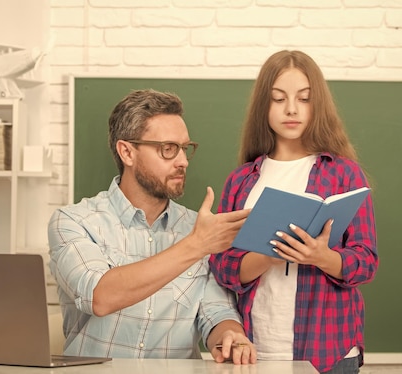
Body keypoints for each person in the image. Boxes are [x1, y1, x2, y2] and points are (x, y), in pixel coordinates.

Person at [47, 89, 257, 364]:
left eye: (185, 148)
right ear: (127, 152)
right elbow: (100, 296)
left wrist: (232, 336)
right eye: (168, 149)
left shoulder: (198, 228)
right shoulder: (74, 221)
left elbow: (217, 313)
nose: (182, 161)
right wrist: (196, 245)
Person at [208, 50, 379, 373]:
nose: (291, 109)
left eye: (303, 99)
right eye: (278, 98)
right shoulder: (242, 180)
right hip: (255, 351)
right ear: (264, 106)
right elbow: (221, 266)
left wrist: (321, 256)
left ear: (318, 105)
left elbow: (366, 261)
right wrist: (269, 256)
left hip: (329, 352)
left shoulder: (344, 174)